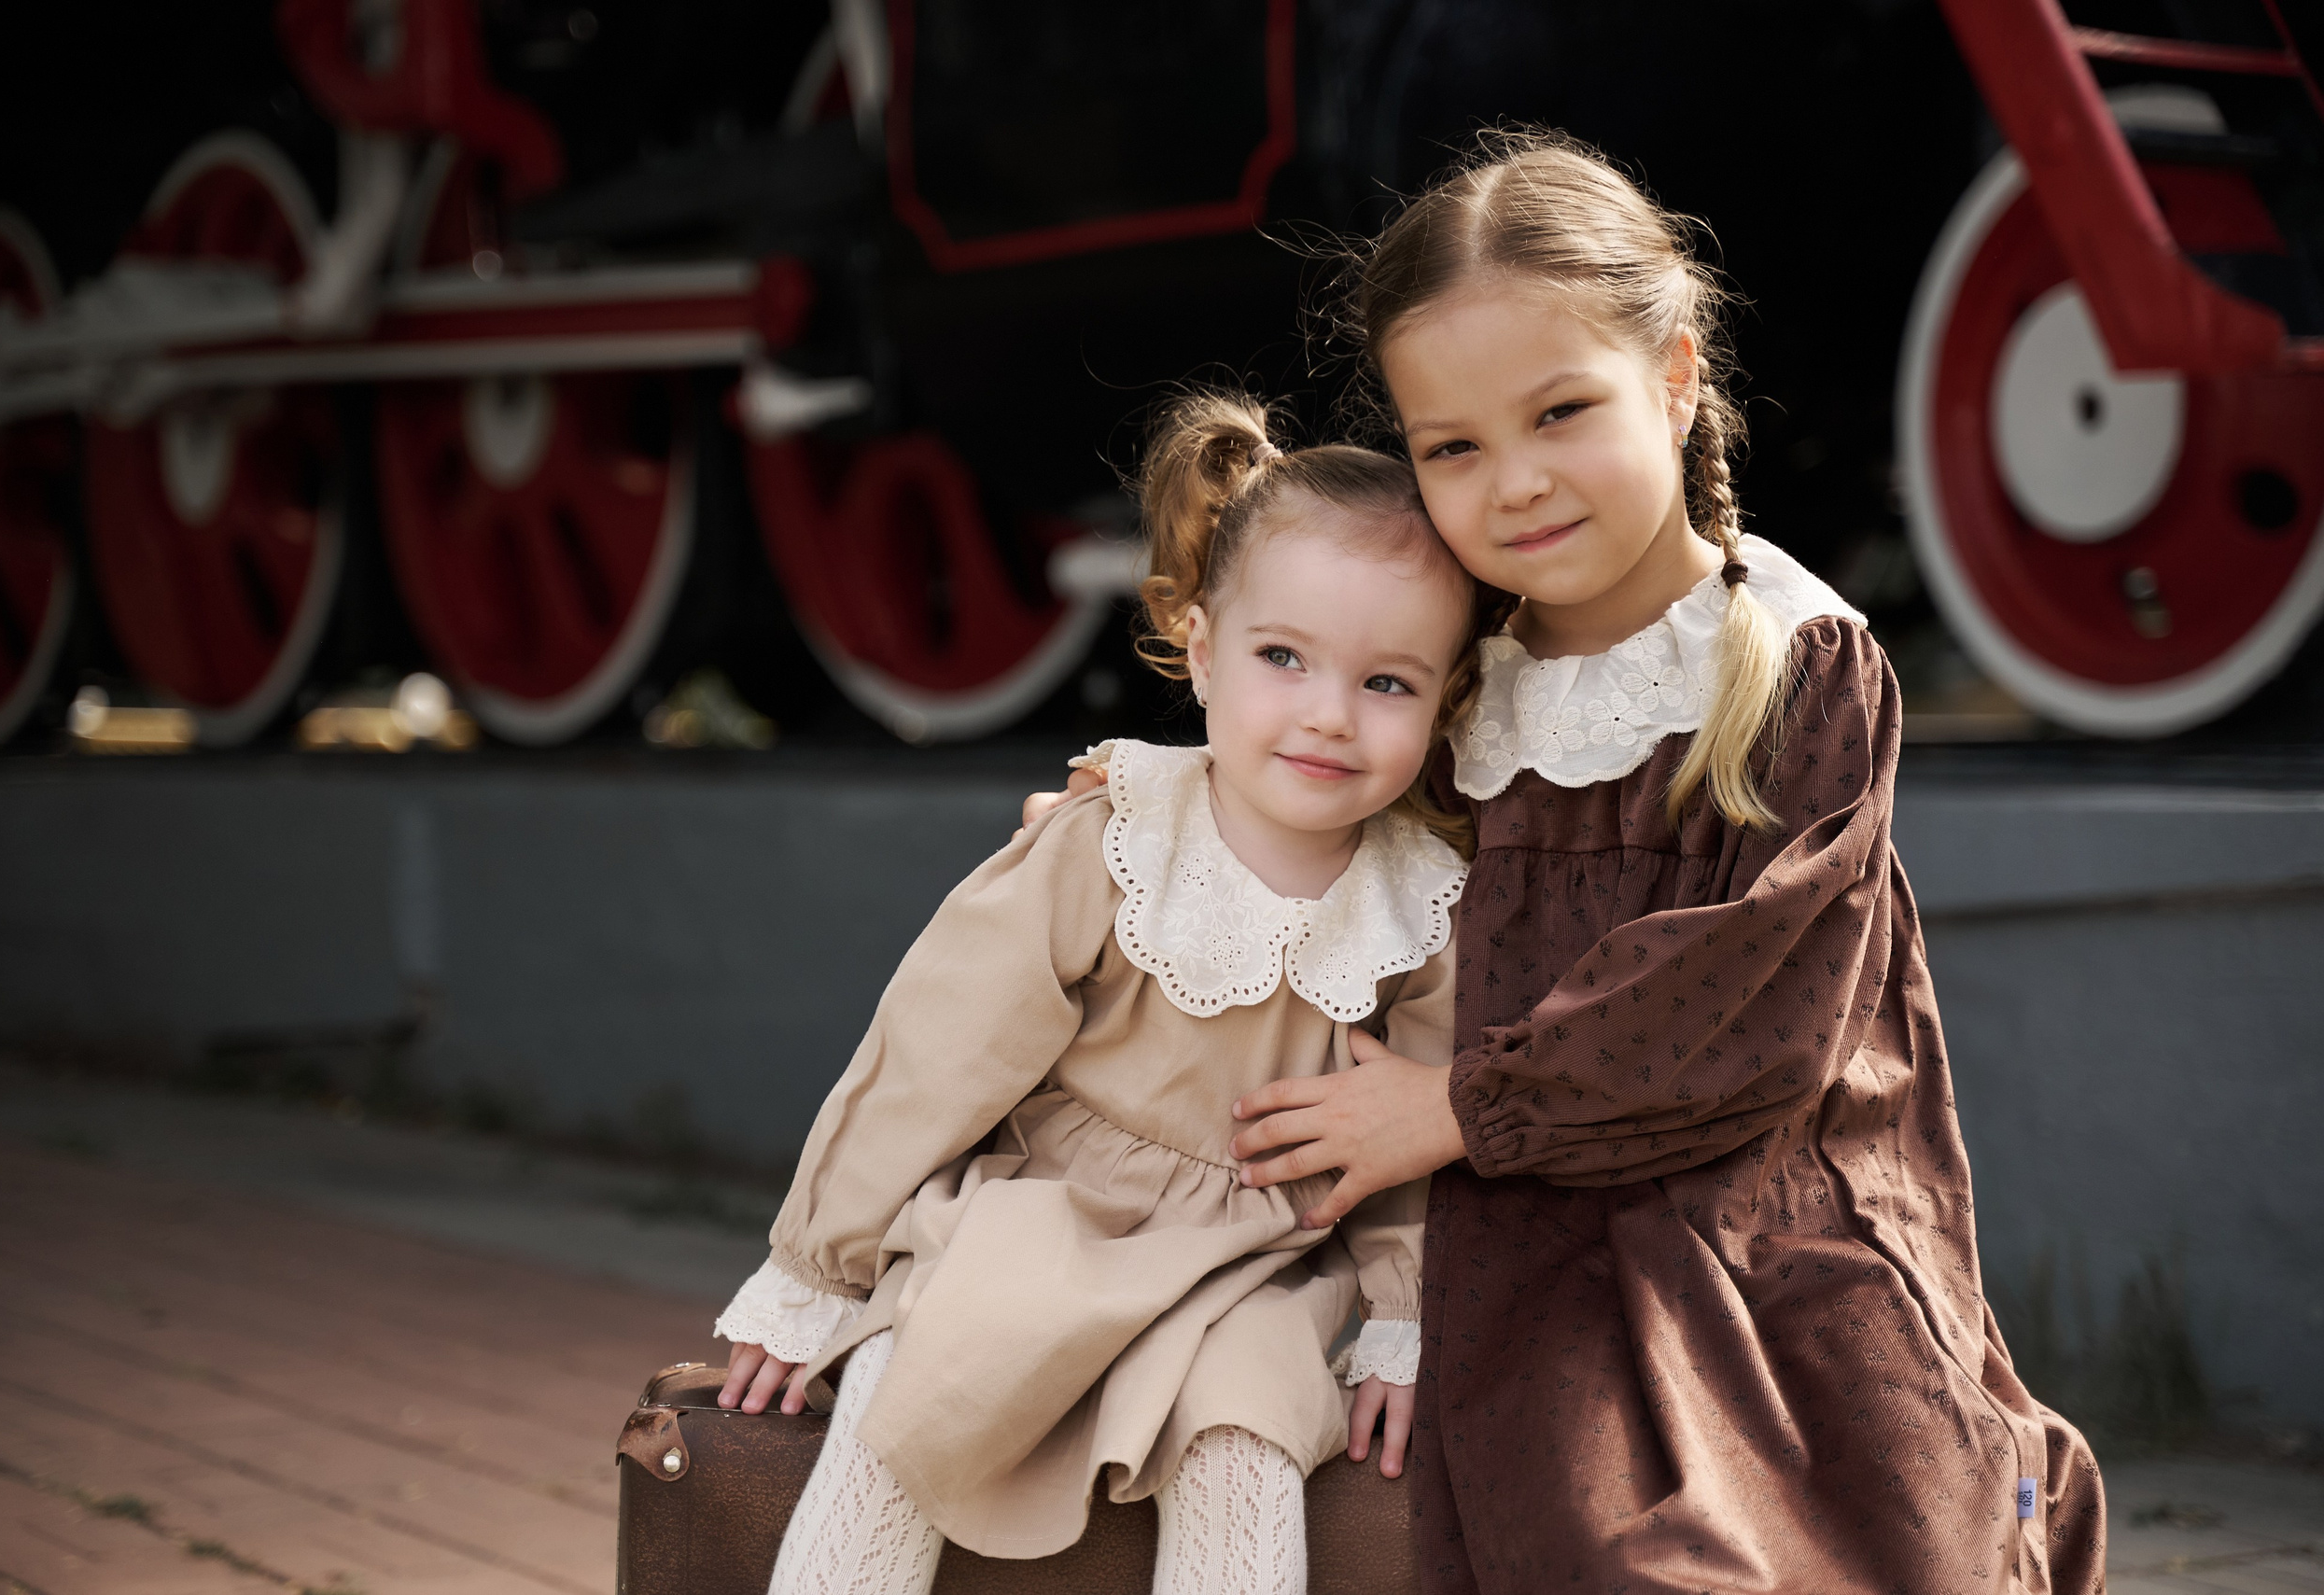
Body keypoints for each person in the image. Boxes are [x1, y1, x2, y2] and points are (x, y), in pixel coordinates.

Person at [1029, 131, 2107, 1594]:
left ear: (1672, 377)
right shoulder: (1460, 682)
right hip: (1530, 1221)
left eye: (1561, 412)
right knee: (1601, 1527)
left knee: (1882, 1516)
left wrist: (1462, 1105)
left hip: (1766, 1209)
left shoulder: (1791, 657)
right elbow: (1305, 787)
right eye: (1454, 448)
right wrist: (1133, 813)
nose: (1516, 483)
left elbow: (1753, 1008)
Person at [716, 392, 1488, 1595]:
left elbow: (1414, 1144)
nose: (1329, 714)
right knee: (911, 1379)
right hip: (1054, 1207)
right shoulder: (1113, 834)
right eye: (1284, 658)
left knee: (1246, 1445)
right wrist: (817, 1267)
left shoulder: (1421, 907)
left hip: (1262, 1257)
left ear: (1445, 700)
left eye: (1388, 683)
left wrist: (1403, 1313)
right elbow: (938, 1050)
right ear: (1200, 644)